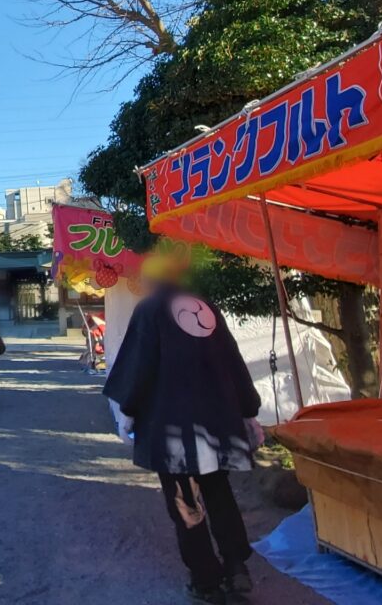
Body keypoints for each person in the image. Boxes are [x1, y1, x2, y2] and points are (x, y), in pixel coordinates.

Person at [103, 256, 264, 605]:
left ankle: (206, 580)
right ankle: (237, 568)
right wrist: (248, 410)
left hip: (171, 425)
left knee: (185, 502)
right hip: (216, 422)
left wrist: (127, 411)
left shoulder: (150, 310)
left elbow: (138, 367)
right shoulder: (206, 307)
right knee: (220, 493)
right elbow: (232, 360)